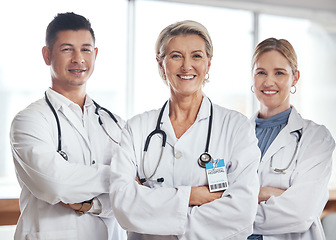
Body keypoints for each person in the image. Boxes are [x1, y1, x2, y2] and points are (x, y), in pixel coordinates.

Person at [109, 20, 261, 239]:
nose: (187, 66)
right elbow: (123, 206)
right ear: (161, 63)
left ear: (209, 63)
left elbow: (242, 212)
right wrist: (195, 195)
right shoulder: (137, 129)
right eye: (176, 56)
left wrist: (152, 203)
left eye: (197, 56)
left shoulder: (236, 127)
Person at [10, 12, 126, 240]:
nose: (78, 59)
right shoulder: (30, 120)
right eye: (66, 49)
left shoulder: (115, 124)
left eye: (86, 49)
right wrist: (120, 176)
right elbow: (56, 184)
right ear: (47, 55)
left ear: (95, 54)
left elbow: (134, 195)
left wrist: (90, 204)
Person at [248, 37, 335, 240]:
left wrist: (235, 208)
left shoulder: (316, 138)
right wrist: (267, 193)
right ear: (253, 78)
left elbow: (301, 213)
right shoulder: (233, 135)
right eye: (261, 72)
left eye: (279, 73)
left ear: (294, 78)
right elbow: (212, 200)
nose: (269, 82)